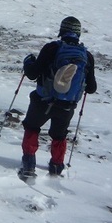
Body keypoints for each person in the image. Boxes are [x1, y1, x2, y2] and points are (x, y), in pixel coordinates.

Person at [20, 16, 97, 176]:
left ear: (62, 30)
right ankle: (56, 166)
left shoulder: (51, 48)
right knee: (59, 135)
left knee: (32, 127)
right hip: (67, 106)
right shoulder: (87, 56)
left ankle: (28, 164)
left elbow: (33, 74)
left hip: (42, 101)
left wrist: (28, 62)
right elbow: (91, 88)